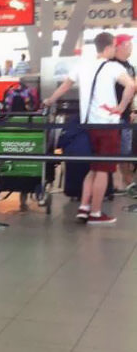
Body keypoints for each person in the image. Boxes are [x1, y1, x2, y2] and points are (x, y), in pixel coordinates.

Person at [43, 30, 135, 225]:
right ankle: (95, 212)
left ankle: (84, 208)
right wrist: (120, 108)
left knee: (93, 168)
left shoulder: (82, 66)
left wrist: (50, 100)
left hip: (89, 124)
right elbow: (131, 86)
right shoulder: (112, 67)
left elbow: (65, 86)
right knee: (103, 170)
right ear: (109, 47)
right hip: (107, 124)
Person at [110, 33, 136, 194]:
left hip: (126, 115)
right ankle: (117, 182)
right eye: (128, 44)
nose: (131, 47)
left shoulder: (130, 67)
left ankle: (126, 181)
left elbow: (132, 91)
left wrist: (132, 109)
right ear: (119, 46)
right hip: (112, 115)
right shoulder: (111, 66)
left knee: (125, 149)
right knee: (113, 149)